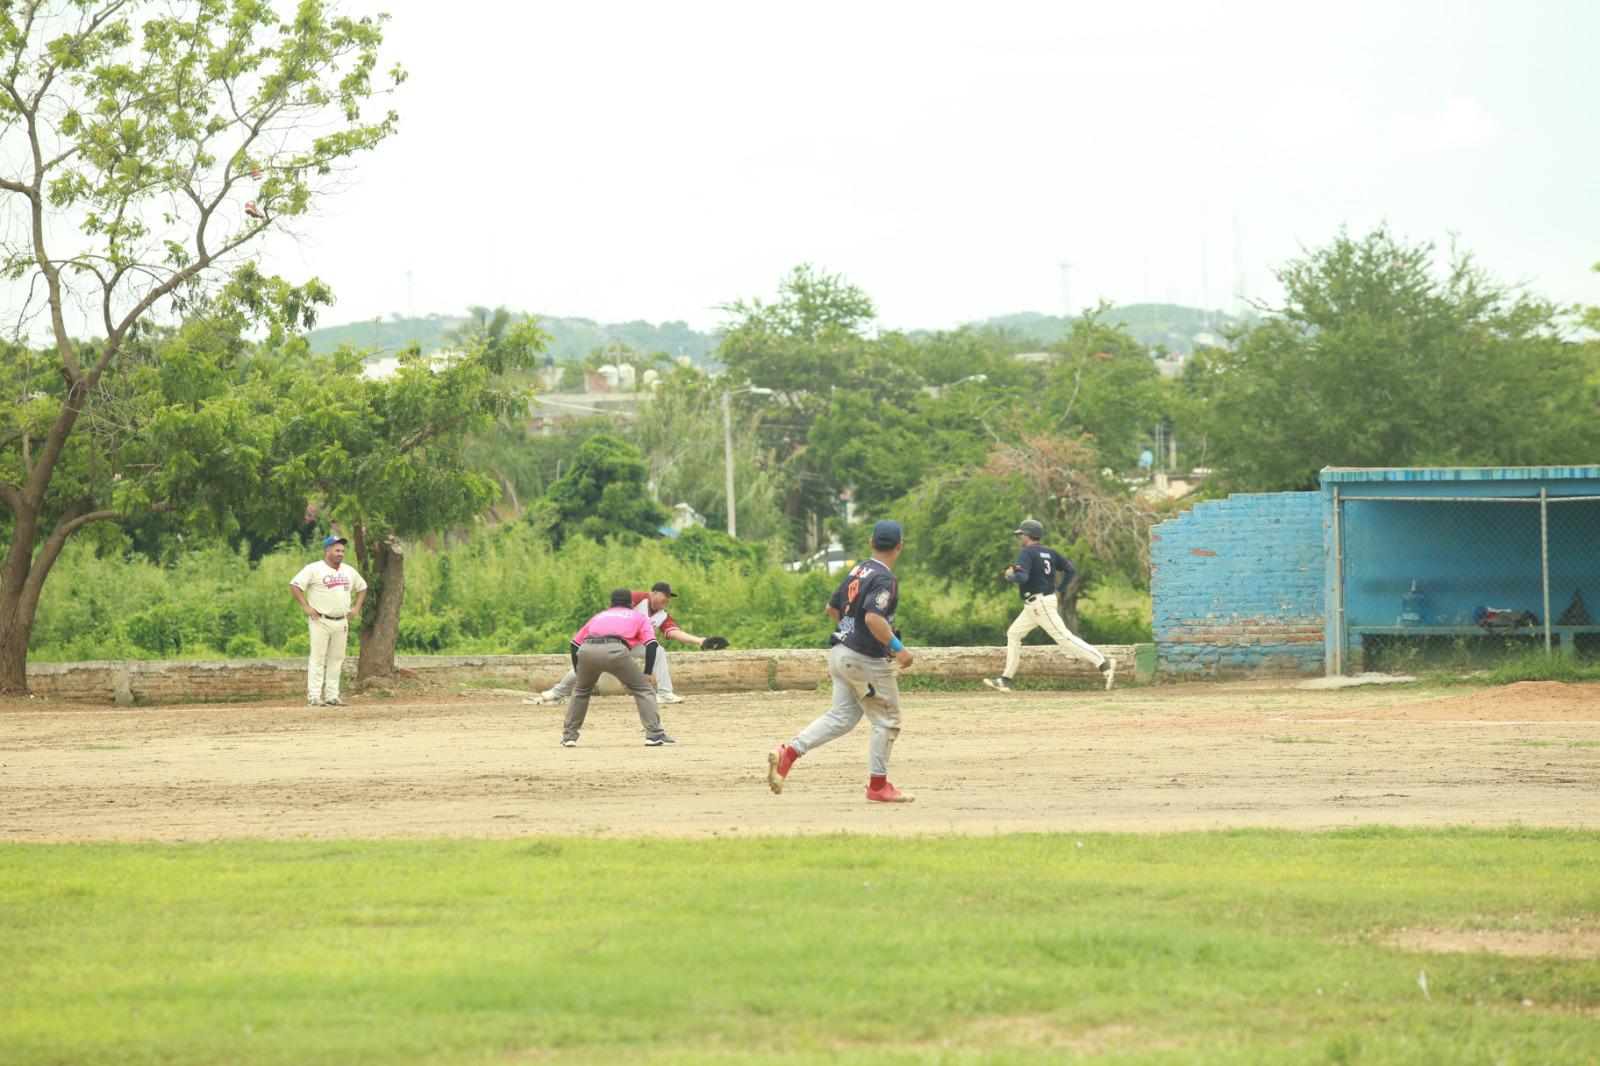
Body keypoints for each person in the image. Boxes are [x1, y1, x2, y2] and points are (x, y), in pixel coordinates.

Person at [767, 520, 915, 803]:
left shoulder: (859, 569)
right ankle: (878, 786)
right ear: (900, 546)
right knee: (887, 720)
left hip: (840, 652)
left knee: (842, 717)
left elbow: (832, 608)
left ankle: (789, 754)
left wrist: (853, 631)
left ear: (871, 542)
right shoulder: (885, 579)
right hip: (863, 658)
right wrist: (898, 649)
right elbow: (874, 618)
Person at [528, 582, 727, 706]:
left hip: (633, 647)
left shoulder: (663, 615)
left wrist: (700, 640)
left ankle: (665, 693)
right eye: (665, 595)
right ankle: (555, 693)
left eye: (669, 597)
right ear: (654, 593)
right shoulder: (638, 598)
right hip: (613, 642)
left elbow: (673, 632)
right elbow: (616, 607)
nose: (668, 599)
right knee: (586, 668)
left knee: (658, 650)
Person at [982, 519, 1114, 693]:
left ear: (1027, 535)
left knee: (1064, 638)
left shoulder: (1027, 552)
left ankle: (1103, 662)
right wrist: (1060, 589)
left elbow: (1022, 578)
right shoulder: (1049, 553)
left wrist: (1010, 575)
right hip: (1037, 603)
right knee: (1013, 634)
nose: (1019, 537)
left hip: (1039, 603)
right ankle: (1006, 680)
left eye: (1021, 534)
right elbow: (1071, 570)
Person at [559, 588, 675, 748]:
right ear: (631, 603)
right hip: (616, 651)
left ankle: (569, 737)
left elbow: (573, 644)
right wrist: (647, 672)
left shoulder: (599, 616)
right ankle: (654, 735)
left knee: (580, 691)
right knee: (643, 690)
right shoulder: (639, 617)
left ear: (610, 603)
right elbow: (652, 645)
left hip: (587, 650)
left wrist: (579, 671)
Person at [289, 534, 368, 708]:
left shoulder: (348, 570)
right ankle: (314, 696)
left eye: (342, 550)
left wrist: (356, 607)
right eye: (337, 550)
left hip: (341, 621)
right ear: (327, 550)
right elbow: (295, 585)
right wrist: (306, 606)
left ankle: (332, 695)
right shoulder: (314, 568)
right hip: (320, 620)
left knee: (337, 658)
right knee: (318, 658)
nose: (341, 553)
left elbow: (362, 587)